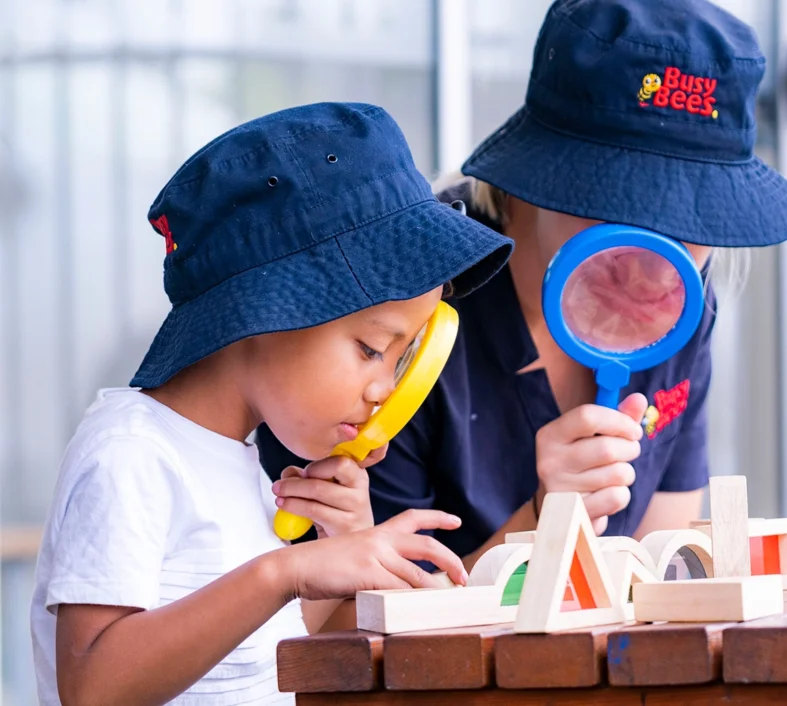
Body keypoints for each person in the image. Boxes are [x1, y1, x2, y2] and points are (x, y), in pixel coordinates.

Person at [258, 0, 787, 571]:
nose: (645, 265)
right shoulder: (398, 304)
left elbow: (653, 578)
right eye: (617, 204)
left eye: (690, 215)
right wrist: (541, 521)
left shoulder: (681, 310)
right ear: (538, 177)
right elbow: (357, 625)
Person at [29, 102, 512, 705]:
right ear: (263, 314)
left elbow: (273, 658)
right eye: (371, 348)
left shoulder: (239, 459)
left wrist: (344, 551)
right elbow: (93, 686)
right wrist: (286, 572)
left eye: (400, 359)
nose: (385, 389)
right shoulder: (132, 455)